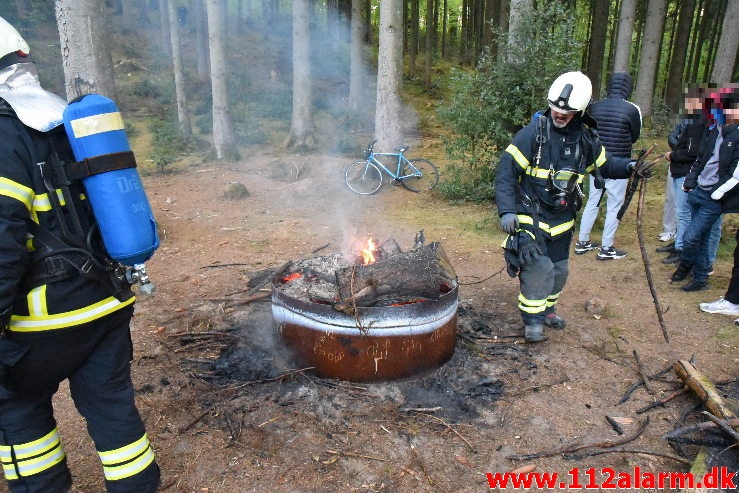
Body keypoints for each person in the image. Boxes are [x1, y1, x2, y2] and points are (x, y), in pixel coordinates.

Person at [0, 17, 160, 492]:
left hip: (38, 327)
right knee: (112, 407)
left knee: (18, 413)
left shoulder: (5, 136)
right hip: (108, 304)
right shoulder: (68, 117)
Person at [495, 71, 642, 342]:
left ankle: (548, 310)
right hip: (531, 217)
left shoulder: (585, 140)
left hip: (563, 219)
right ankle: (533, 321)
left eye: (566, 112)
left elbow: (606, 165)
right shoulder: (532, 135)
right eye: (555, 109)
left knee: (559, 270)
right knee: (538, 268)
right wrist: (507, 211)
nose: (558, 115)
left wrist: (631, 167)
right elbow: (506, 172)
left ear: (580, 111)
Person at [671, 86, 738, 292]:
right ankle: (700, 278)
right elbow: (701, 159)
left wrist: (718, 193)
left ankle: (685, 265)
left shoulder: (736, 136)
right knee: (701, 236)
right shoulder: (714, 130)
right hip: (698, 190)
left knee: (692, 237)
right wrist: (690, 181)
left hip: (714, 197)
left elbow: (734, 172)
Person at [575, 72, 641, 260]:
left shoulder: (595, 107)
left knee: (593, 201)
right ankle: (606, 247)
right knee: (614, 205)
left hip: (596, 162)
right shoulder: (632, 109)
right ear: (628, 88)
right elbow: (634, 136)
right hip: (620, 164)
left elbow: (588, 132)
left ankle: (582, 242)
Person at [696, 86, 739, 316]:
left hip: (718, 192)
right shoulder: (725, 131)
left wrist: (717, 193)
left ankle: (733, 301)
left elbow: (736, 173)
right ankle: (733, 300)